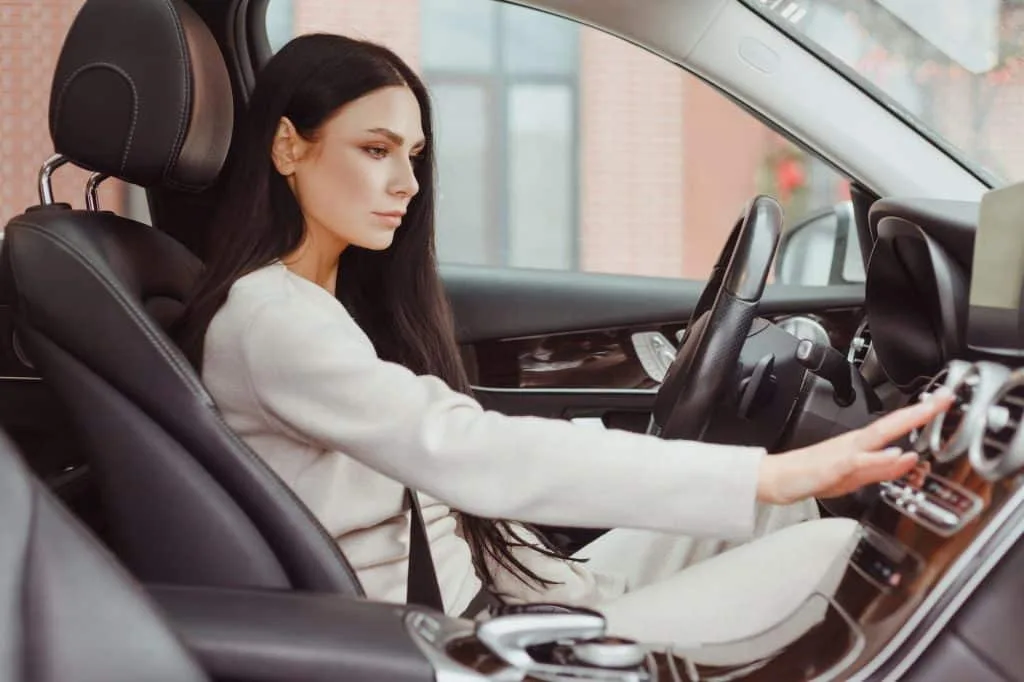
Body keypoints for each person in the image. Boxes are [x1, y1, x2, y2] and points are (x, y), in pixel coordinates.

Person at [174, 33, 951, 649]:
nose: (408, 184)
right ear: (287, 148)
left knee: (786, 520)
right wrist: (770, 473)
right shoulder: (270, 318)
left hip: (514, 590)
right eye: (375, 151)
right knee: (844, 545)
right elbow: (466, 450)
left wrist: (770, 489)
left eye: (412, 156)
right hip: (465, 643)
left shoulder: (319, 302)